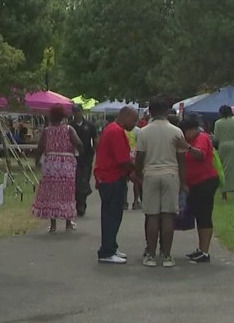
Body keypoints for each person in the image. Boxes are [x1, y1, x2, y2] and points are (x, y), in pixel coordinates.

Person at [134, 97, 189, 267]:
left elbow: (139, 157)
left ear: (150, 112)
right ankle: (166, 255)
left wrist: (139, 175)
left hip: (150, 173)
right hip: (171, 174)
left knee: (152, 216)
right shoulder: (176, 131)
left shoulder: (144, 131)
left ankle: (150, 255)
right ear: (167, 111)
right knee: (168, 216)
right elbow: (181, 159)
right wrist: (183, 181)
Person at [94, 105, 138, 264]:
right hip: (112, 178)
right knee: (112, 216)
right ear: (125, 116)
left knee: (113, 215)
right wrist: (138, 169)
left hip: (109, 177)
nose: (134, 125)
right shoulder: (117, 132)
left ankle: (111, 246)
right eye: (134, 120)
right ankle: (106, 251)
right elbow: (123, 160)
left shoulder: (111, 129)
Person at [31, 105, 82, 233]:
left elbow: (40, 147)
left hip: (51, 163)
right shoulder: (69, 129)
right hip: (66, 164)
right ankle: (68, 222)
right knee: (67, 192)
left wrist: (36, 161)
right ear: (63, 116)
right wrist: (78, 152)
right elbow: (79, 143)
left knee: (52, 192)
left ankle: (53, 225)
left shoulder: (47, 131)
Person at [181, 114, 219, 263]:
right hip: (195, 183)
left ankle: (205, 251)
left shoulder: (201, 138)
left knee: (204, 216)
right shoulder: (191, 139)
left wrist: (188, 147)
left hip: (205, 182)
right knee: (199, 217)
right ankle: (201, 248)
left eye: (187, 131)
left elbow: (200, 155)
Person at [70, 104, 99, 217]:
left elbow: (95, 139)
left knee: (85, 180)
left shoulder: (90, 125)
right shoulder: (70, 126)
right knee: (76, 180)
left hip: (87, 155)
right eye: (74, 111)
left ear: (82, 111)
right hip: (74, 156)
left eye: (78, 111)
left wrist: (98, 154)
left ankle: (82, 202)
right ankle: (79, 204)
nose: (76, 113)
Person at [213, 105, 234, 200]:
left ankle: (224, 195)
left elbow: (216, 138)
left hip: (224, 147)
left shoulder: (218, 123)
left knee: (224, 169)